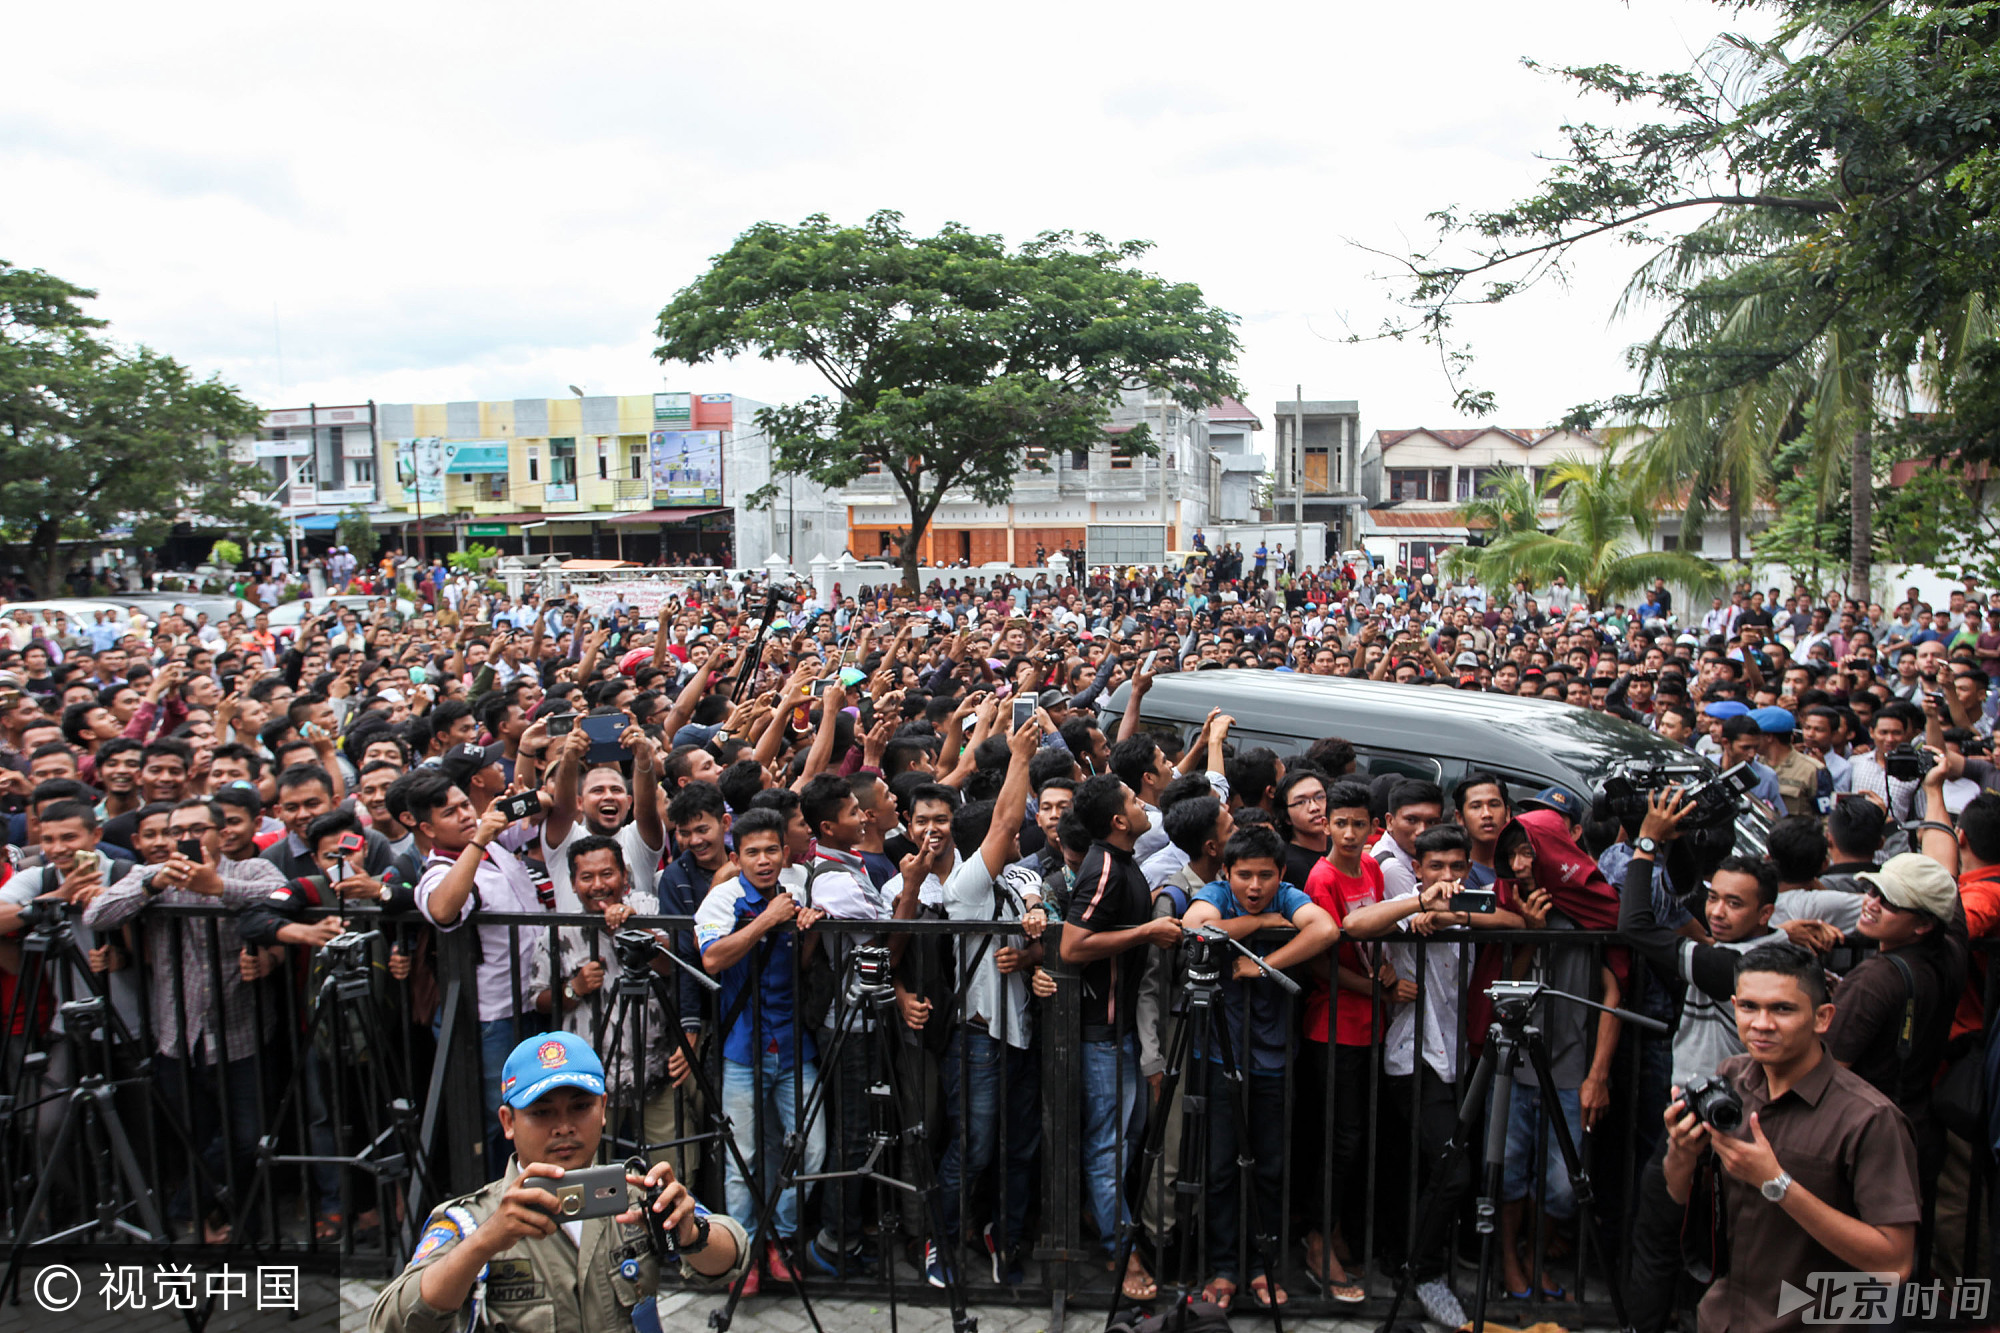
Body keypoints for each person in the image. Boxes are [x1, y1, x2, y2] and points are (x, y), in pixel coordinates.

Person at [368, 1031, 746, 1333]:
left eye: (580, 1107)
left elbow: (733, 1257)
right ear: (508, 1122)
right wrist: (482, 1245)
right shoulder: (473, 1220)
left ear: (603, 1109)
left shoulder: (637, 1196)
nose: (563, 1127)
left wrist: (692, 1234)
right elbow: (392, 1322)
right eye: (542, 1113)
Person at [1661, 943, 1921, 1332]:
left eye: (1782, 1009)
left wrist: (1777, 1184)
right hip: (1722, 1319)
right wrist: (1681, 1152)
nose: (1762, 1023)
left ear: (1822, 1017)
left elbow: (1894, 1263)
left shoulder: (1869, 1119)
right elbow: (1679, 1194)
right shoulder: (1729, 1082)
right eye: (1749, 1007)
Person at [1182, 824, 1336, 1309]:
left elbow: (1326, 928)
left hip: (1273, 1058)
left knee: (1269, 1169)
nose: (1254, 886)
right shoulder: (1216, 893)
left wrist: (1264, 965)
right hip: (1218, 1054)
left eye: (1264, 877)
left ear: (1281, 874)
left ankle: (1262, 1267)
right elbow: (1195, 927)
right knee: (1221, 1167)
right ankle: (1225, 1268)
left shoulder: (1289, 894)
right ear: (1226, 872)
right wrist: (1257, 924)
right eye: (1244, 875)